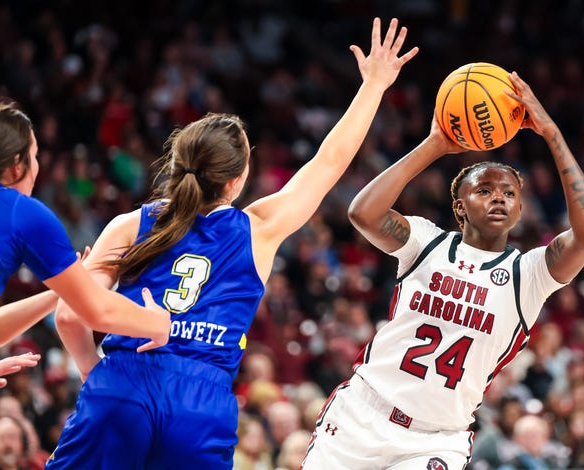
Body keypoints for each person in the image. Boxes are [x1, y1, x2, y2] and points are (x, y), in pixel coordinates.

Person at [47, 17, 418, 470]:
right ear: (238, 180)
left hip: (121, 385)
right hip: (202, 406)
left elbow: (69, 315)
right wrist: (374, 86)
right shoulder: (259, 229)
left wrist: (94, 372)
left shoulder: (129, 225)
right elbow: (329, 163)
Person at [302, 72, 584, 469]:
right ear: (459, 207)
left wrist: (551, 134)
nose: (498, 197)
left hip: (434, 441)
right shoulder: (427, 242)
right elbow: (363, 212)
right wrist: (434, 145)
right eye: (484, 190)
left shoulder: (528, 274)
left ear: (520, 209)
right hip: (362, 414)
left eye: (509, 193)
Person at [0, 100, 171, 357]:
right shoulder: (22, 212)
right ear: (17, 164)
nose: (37, 166)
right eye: (35, 155)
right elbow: (97, 310)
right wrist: (159, 324)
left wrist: (61, 292)